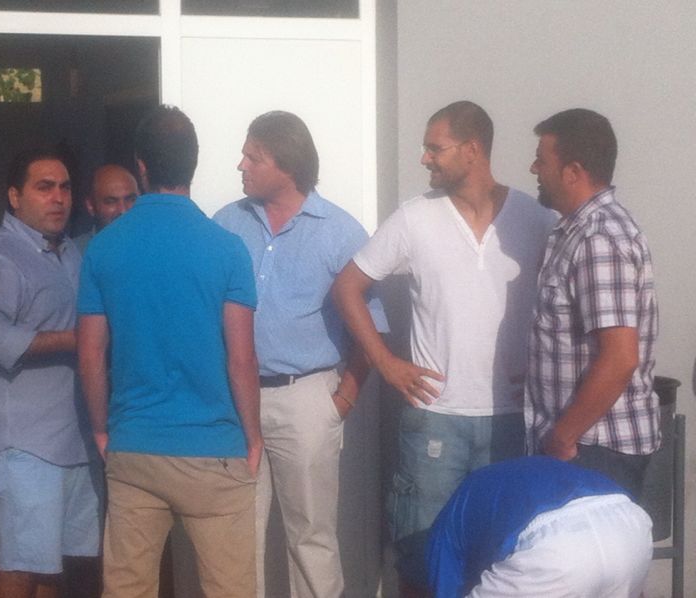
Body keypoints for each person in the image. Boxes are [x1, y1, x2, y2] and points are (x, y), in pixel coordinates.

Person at [331, 101, 556, 593]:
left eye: (435, 148)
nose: (424, 158)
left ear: (472, 150)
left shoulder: (535, 219)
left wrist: (543, 372)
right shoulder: (415, 218)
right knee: (421, 555)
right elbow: (347, 287)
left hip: (510, 419)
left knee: (500, 556)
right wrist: (386, 363)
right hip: (433, 419)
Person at [77, 104, 262, 598]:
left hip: (135, 444)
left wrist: (101, 429)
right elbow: (241, 359)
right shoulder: (228, 248)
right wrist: (253, 438)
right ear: (193, 163)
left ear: (140, 165)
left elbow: (91, 356)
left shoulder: (103, 248)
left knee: (128, 590)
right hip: (214, 448)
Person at [214, 110, 387, 598]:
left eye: (254, 157)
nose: (241, 165)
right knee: (236, 533)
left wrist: (344, 397)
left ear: (286, 165)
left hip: (306, 396)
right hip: (235, 398)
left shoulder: (340, 231)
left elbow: (372, 327)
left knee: (311, 535)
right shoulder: (227, 223)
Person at [0, 148, 102, 598]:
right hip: (25, 445)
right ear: (15, 196)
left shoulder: (71, 253)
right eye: (44, 187)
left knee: (51, 570)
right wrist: (75, 339)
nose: (58, 197)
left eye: (65, 188)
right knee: (21, 569)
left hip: (73, 441)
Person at [525, 108, 659, 498]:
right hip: (583, 445)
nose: (534, 169)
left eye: (541, 160)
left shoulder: (599, 238)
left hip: (595, 449)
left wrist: (563, 436)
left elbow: (619, 358)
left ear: (573, 171)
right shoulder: (572, 231)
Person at [415, 456, 652, 598]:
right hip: (629, 524)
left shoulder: (444, 535)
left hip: (556, 546)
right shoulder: (483, 492)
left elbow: (446, 588)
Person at [73, 164, 138, 253]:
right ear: (90, 206)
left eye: (131, 199)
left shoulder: (154, 242)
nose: (123, 210)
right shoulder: (77, 253)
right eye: (111, 202)